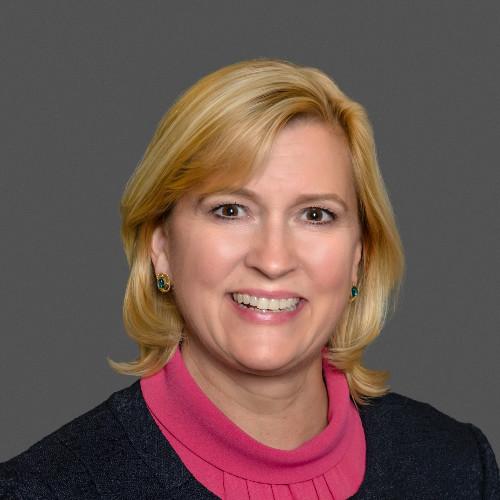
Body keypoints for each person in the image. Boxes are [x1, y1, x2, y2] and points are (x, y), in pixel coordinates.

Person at [0, 58, 498, 499]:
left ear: (358, 257)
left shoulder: (456, 467)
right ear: (161, 246)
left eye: (316, 215)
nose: (273, 260)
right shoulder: (41, 488)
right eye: (231, 210)